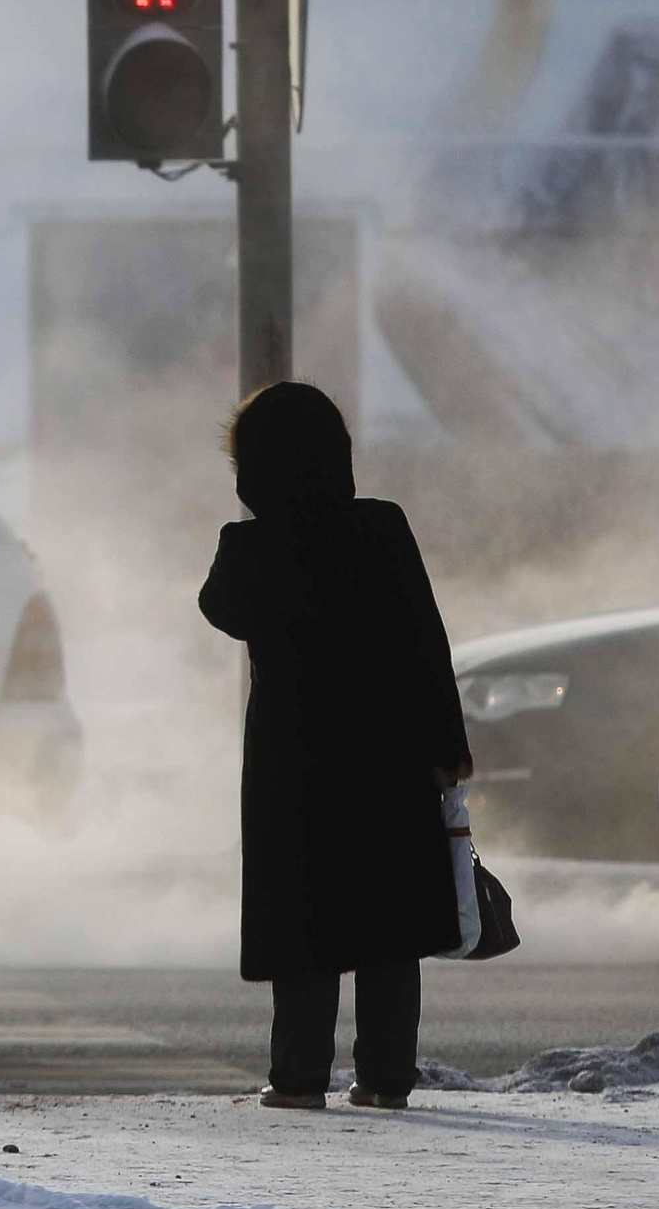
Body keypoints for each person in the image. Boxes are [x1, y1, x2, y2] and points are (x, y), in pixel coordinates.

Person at [199, 381, 473, 1112]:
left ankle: (296, 1076)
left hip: (297, 769)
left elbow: (216, 606)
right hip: (390, 758)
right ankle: (386, 1076)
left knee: (304, 924)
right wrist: (450, 745)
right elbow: (427, 640)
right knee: (389, 927)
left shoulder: (251, 548)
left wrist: (264, 527)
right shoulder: (382, 529)